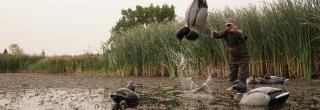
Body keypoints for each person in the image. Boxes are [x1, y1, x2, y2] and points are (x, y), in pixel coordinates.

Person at [211, 18, 251, 84]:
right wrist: (214, 34)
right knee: (232, 76)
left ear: (234, 25)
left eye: (230, 25)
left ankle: (242, 90)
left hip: (243, 58)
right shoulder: (226, 32)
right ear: (225, 26)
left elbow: (244, 38)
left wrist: (236, 32)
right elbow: (218, 35)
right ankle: (232, 89)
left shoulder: (239, 32)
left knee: (242, 76)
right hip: (233, 58)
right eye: (227, 25)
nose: (229, 27)